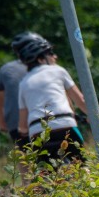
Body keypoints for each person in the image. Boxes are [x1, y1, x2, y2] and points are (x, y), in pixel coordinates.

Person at [15, 36, 89, 167]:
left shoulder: (23, 83)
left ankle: (48, 185)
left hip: (38, 131)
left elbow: (22, 124)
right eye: (50, 53)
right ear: (41, 59)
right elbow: (81, 101)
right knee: (81, 166)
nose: (55, 57)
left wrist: (23, 134)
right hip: (65, 125)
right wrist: (93, 116)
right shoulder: (58, 70)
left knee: (46, 176)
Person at [0, 33, 37, 148]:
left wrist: (2, 124)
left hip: (15, 124)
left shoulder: (6, 69)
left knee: (25, 159)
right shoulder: (47, 66)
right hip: (44, 120)